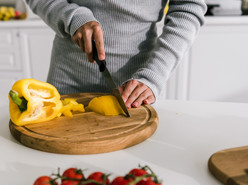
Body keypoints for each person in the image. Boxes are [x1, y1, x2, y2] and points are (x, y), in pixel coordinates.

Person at [25, 0, 207, 108]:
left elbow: (188, 8)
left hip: (134, 91)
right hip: (67, 82)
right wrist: (73, 17)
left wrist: (153, 75)